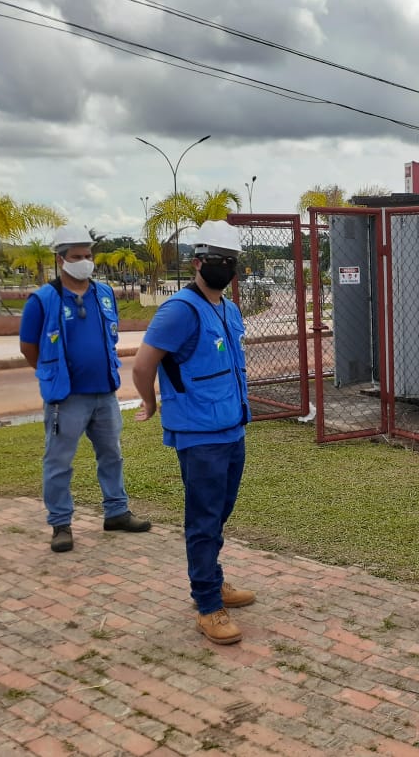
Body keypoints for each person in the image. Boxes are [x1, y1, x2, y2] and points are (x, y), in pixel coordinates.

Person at [132, 220, 255, 645]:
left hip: (231, 428)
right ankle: (206, 605)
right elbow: (143, 365)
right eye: (217, 260)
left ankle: (213, 579)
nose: (224, 267)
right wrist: (150, 404)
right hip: (199, 434)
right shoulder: (178, 311)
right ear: (197, 262)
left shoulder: (228, 308)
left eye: (231, 261)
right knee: (203, 520)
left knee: (220, 512)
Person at [19, 225, 152, 552]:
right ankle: (61, 524)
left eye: (88, 256)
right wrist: (51, 374)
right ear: (60, 258)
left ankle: (116, 512)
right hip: (66, 398)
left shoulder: (103, 294)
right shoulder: (43, 300)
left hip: (104, 393)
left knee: (112, 454)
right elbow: (28, 347)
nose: (84, 262)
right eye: (77, 256)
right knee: (59, 461)